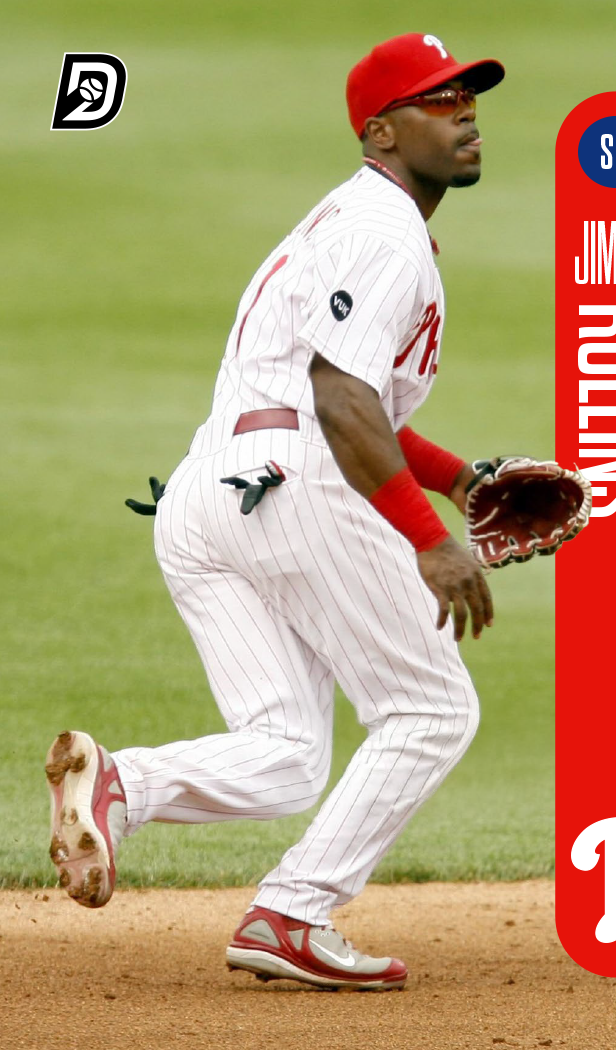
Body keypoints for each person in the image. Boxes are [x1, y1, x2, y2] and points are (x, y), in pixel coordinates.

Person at [46, 32, 505, 990]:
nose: (464, 112)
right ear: (380, 131)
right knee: (429, 707)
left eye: (467, 95)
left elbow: (345, 401)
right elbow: (339, 402)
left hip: (207, 493)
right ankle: (293, 912)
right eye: (436, 99)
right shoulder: (383, 234)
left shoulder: (345, 222)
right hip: (295, 483)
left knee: (288, 755)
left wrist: (460, 481)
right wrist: (431, 540)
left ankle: (124, 783)